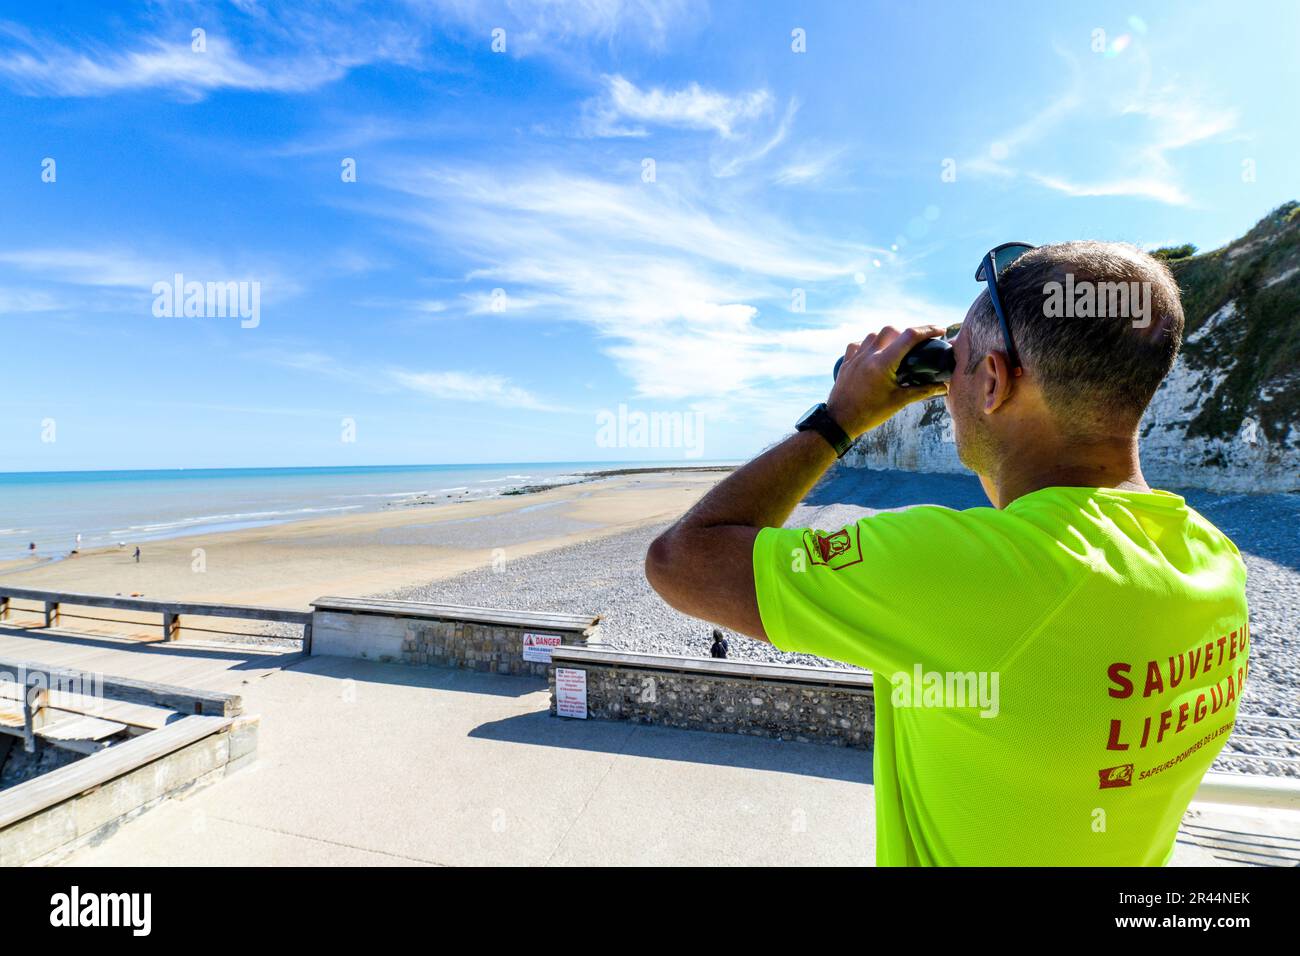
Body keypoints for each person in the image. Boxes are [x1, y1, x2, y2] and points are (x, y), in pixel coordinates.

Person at [645, 241, 1249, 867]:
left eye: (955, 366)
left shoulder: (954, 567)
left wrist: (841, 417)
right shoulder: (1214, 562)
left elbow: (680, 559)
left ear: (993, 381)